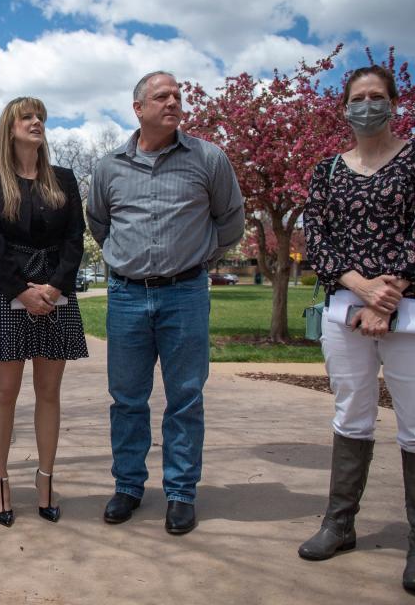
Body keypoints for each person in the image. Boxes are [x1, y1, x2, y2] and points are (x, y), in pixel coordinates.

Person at [300, 65, 415, 595]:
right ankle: (339, 524)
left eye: (377, 96)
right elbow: (317, 239)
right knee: (351, 414)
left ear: (393, 101)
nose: (367, 105)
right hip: (347, 309)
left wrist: (389, 295)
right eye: (358, 98)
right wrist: (362, 290)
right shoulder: (326, 171)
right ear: (344, 107)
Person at [87, 71, 244, 533]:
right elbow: (99, 222)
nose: (173, 101)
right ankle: (129, 487)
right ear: (138, 108)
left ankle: (180, 492)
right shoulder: (108, 167)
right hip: (127, 295)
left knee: (185, 398)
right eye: (162, 96)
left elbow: (230, 220)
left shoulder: (208, 158)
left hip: (186, 294)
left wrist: (197, 258)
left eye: (177, 95)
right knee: (127, 398)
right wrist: (128, 259)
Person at [0, 96, 88, 527]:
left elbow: (75, 237)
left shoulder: (63, 179)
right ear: (11, 127)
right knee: (4, 392)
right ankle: (0, 481)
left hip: (55, 290)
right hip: (8, 290)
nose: (36, 121)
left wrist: (55, 288)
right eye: (27, 116)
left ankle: (45, 479)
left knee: (49, 393)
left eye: (40, 116)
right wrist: (22, 291)